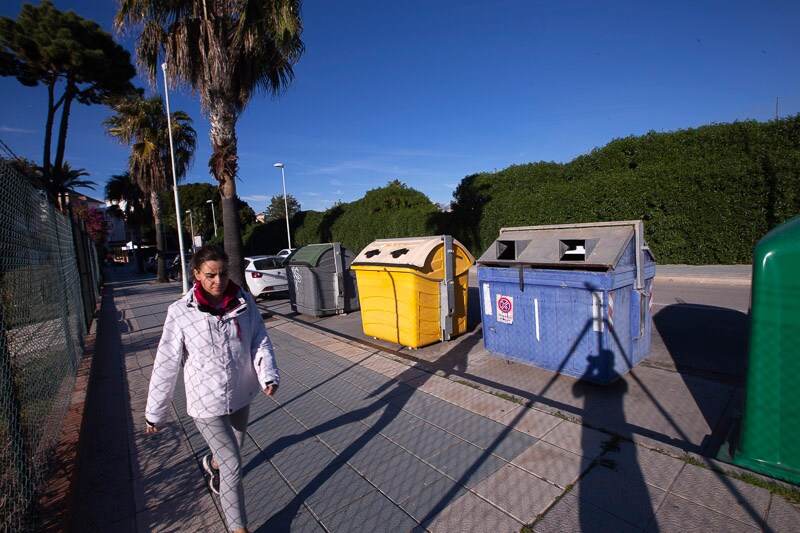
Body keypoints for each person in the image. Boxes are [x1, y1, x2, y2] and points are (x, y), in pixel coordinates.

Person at [144, 244, 279, 533]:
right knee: (233, 464)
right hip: (205, 402)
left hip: (242, 393)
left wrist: (267, 374)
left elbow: (259, 339)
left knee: (232, 451)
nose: (218, 281)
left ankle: (212, 464)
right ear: (196, 274)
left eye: (223, 274)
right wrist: (155, 413)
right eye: (210, 275)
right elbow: (166, 363)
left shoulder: (243, 300)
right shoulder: (180, 312)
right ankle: (238, 527)